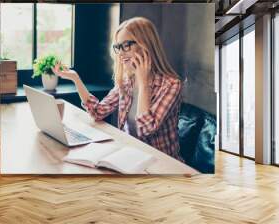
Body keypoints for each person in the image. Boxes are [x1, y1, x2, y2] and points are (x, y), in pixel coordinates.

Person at [52, 17, 183, 162]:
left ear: (146, 44)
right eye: (118, 47)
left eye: (126, 45)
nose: (120, 53)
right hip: (131, 155)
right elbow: (98, 112)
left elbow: (146, 130)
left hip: (161, 164)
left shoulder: (171, 84)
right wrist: (75, 78)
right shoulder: (127, 81)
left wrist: (144, 83)